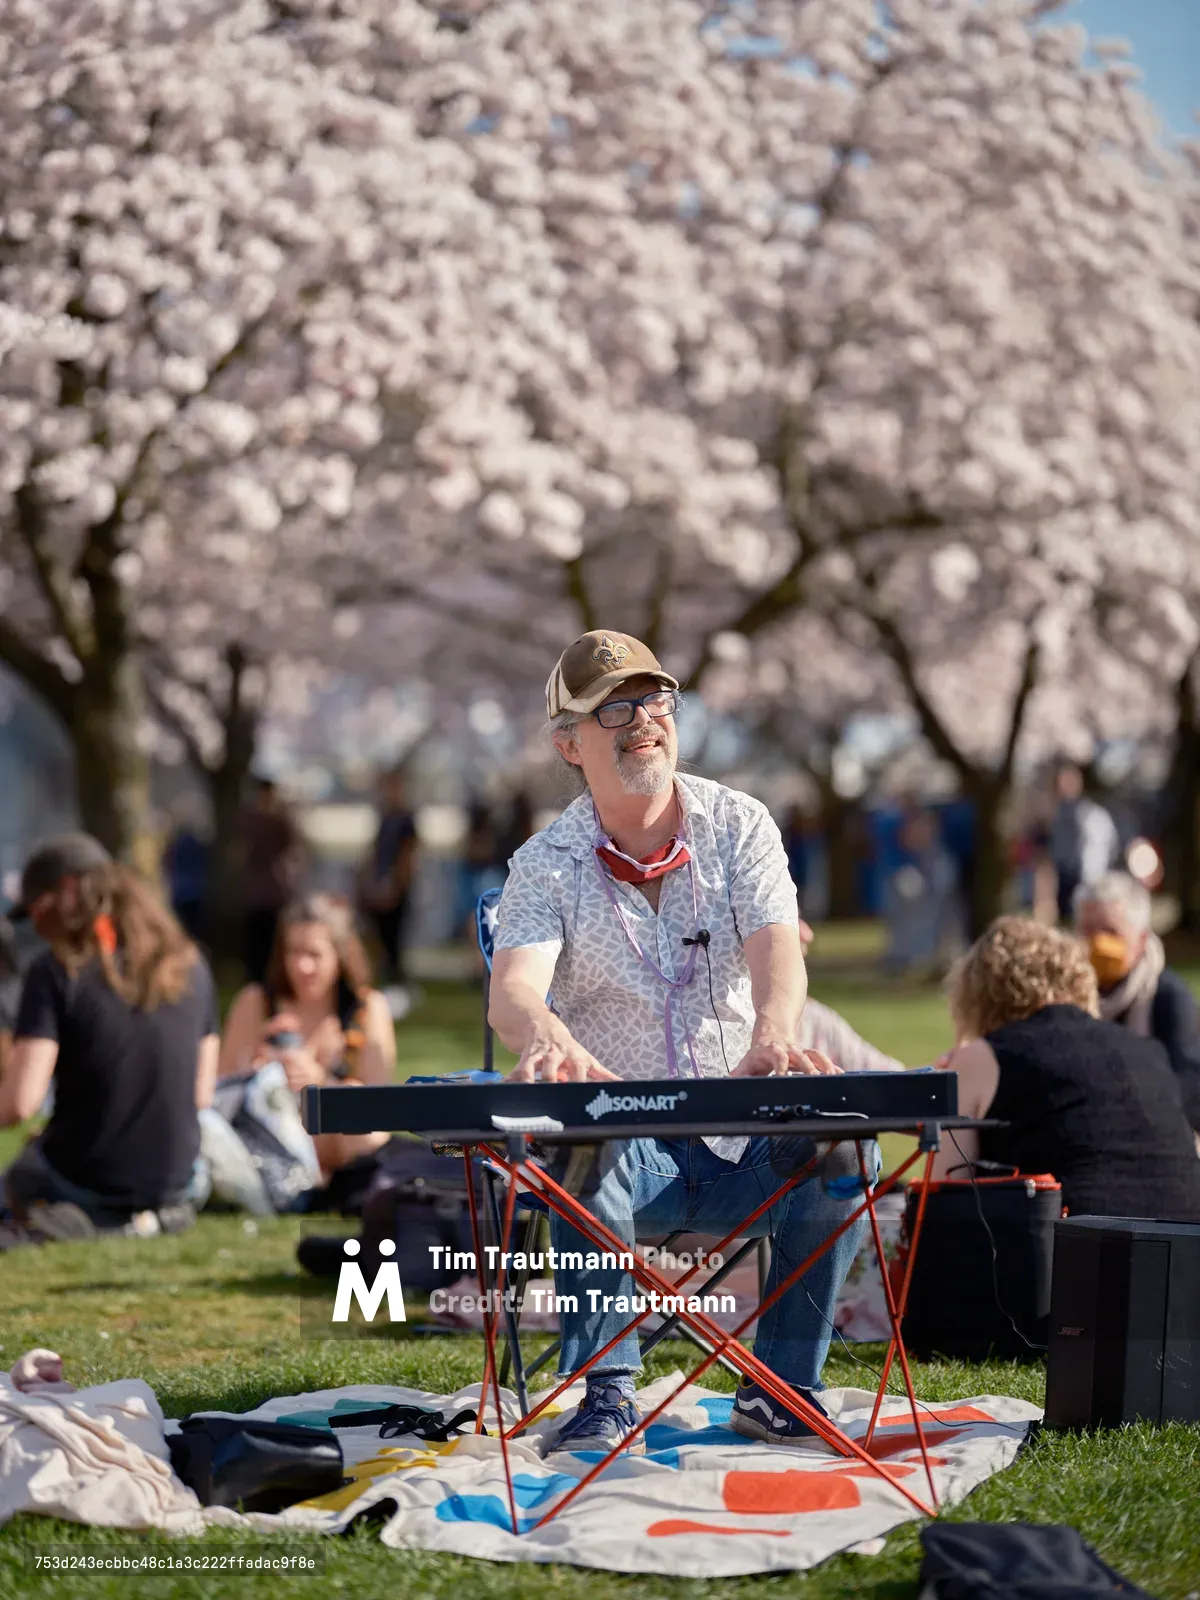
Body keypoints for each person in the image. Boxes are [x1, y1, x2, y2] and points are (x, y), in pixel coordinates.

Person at [489, 628, 873, 1456]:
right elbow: (513, 992)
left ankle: (780, 1391)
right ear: (569, 742)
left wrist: (774, 1032)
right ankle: (608, 1394)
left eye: (655, 699)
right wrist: (549, 1038)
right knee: (582, 1145)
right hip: (631, 1166)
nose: (643, 722)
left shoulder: (741, 824)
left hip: (748, 1151)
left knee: (845, 1145)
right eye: (614, 709)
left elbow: (778, 949)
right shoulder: (544, 863)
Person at [0, 834, 218, 1235]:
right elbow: (202, 1095)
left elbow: (18, 1104)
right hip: (179, 1184)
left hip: (87, 1183)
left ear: (66, 891)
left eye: (35, 911)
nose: (35, 926)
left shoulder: (55, 972)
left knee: (22, 1175)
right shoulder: (192, 965)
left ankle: (87, 1219)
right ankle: (145, 1221)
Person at [931, 917, 1200, 1219]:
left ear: (978, 994)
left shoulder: (982, 1058)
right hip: (1183, 1246)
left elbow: (944, 1203)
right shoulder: (1148, 1051)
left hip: (1072, 1250)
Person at [218, 893, 396, 1191]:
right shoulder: (256, 1003)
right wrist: (259, 1070)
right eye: (293, 952)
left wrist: (319, 1080)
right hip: (269, 1138)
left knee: (356, 1101)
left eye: (315, 955)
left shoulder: (367, 1009)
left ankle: (339, 1183)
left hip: (336, 1144)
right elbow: (220, 1089)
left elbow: (379, 1106)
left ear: (340, 956)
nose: (303, 967)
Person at [1075, 873, 1200, 1133]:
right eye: (1088, 930)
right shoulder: (1067, 998)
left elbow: (1189, 1089)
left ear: (1141, 940)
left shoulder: (1166, 998)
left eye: (1110, 931)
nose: (1098, 943)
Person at [239, 778, 306, 985]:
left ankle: (265, 977)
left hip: (270, 891)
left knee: (268, 939)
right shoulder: (260, 820)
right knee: (258, 940)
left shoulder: (270, 821)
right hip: (263, 890)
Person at [358, 769, 417, 990]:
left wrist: (399, 884)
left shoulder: (405, 819)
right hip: (381, 883)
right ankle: (389, 975)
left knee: (394, 934)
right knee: (381, 933)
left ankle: (397, 980)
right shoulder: (385, 816)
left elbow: (408, 852)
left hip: (394, 885)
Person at [1048, 762, 1118, 923]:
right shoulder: (1058, 815)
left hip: (1088, 879)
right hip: (1064, 876)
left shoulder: (1092, 815)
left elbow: (1108, 847)